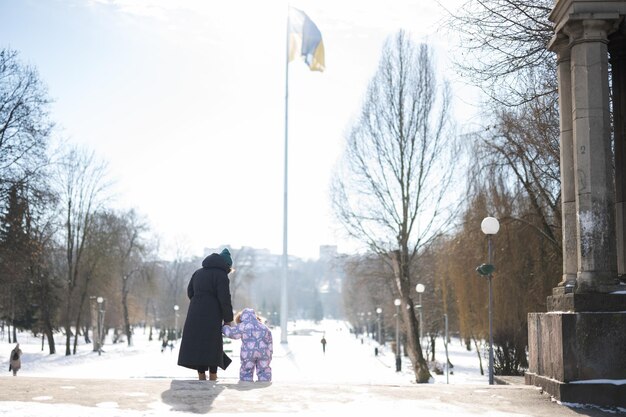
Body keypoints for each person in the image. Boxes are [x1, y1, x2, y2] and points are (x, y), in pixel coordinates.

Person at [177, 248, 234, 381]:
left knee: (198, 343)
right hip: (212, 314)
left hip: (195, 312)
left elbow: (190, 292)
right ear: (226, 265)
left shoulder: (198, 273)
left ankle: (201, 375)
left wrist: (199, 302)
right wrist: (228, 319)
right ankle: (213, 375)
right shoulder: (221, 275)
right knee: (212, 343)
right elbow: (224, 299)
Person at [222, 308, 273, 382]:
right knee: (264, 370)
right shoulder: (264, 327)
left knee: (246, 370)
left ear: (241, 317)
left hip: (248, 353)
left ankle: (246, 385)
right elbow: (270, 342)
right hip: (264, 352)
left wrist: (224, 327)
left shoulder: (243, 325)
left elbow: (233, 334)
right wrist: (270, 353)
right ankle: (263, 384)